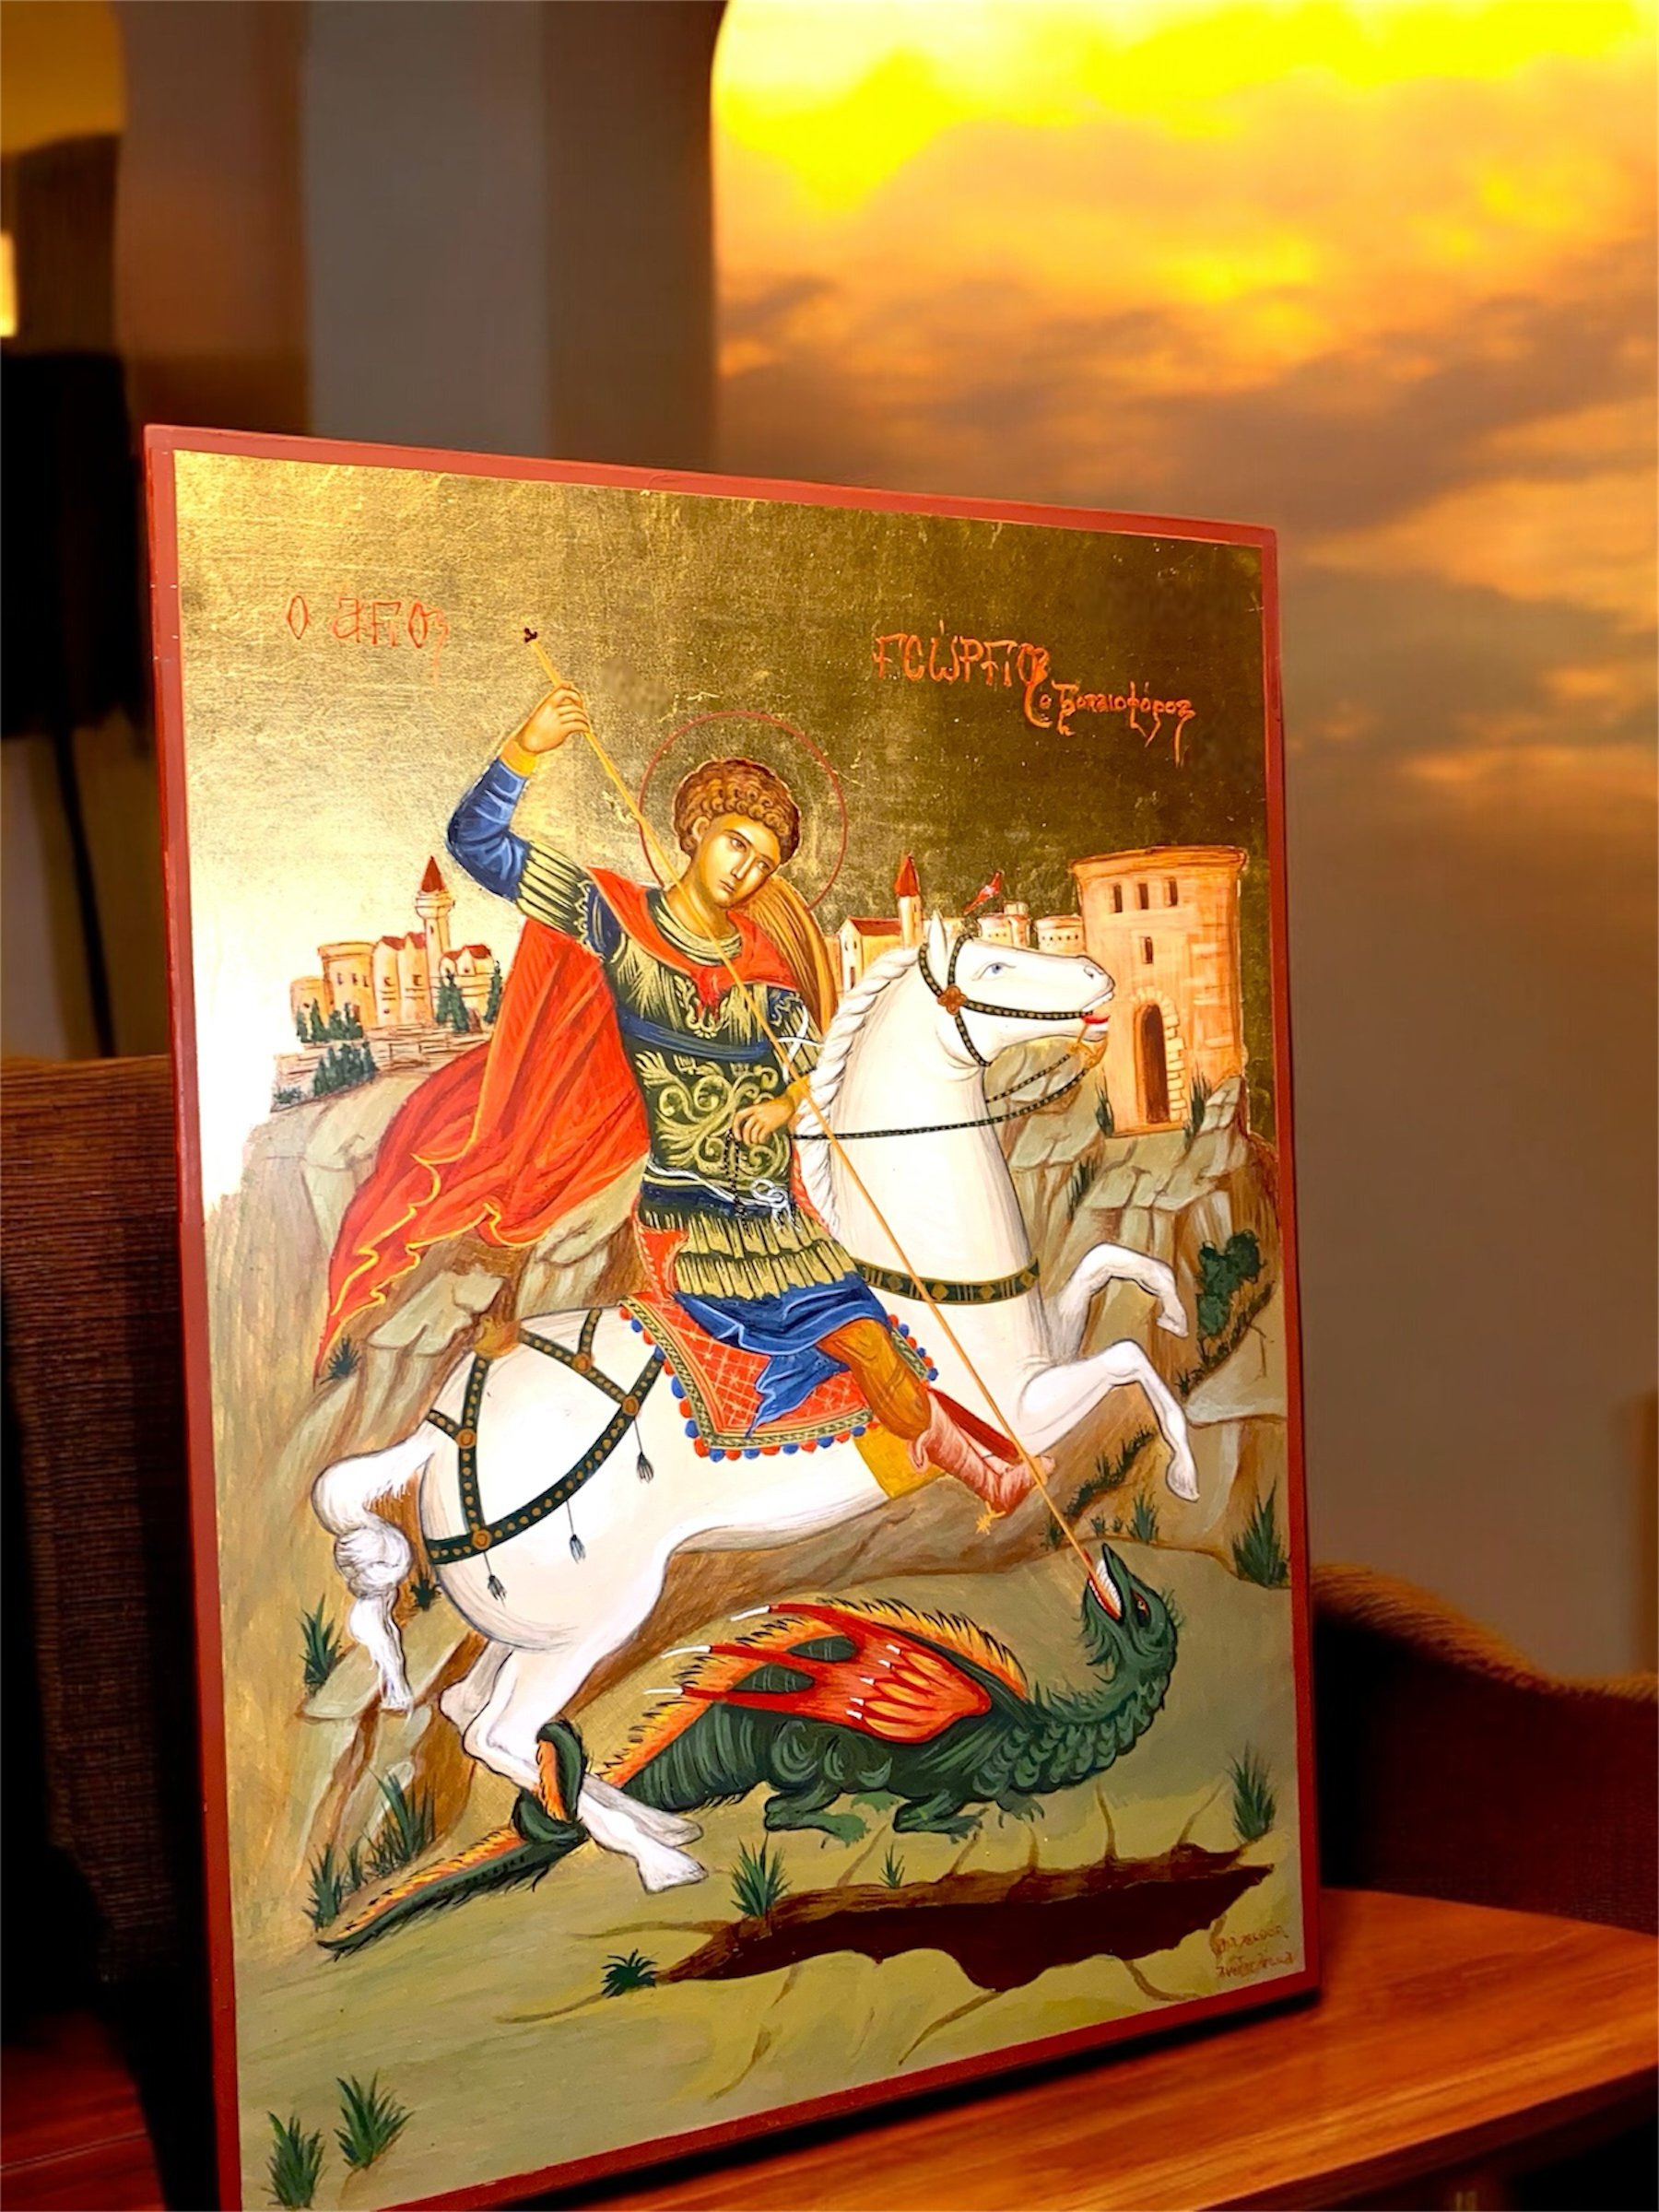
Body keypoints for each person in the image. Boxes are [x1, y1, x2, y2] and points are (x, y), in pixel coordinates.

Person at [320, 684, 1030, 1513]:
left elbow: (815, 1071)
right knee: (872, 1349)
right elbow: (476, 845)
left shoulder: (762, 961)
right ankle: (986, 1475)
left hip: (784, 1216)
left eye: (764, 862)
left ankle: (984, 1474)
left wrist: (784, 1105)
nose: (745, 870)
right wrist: (526, 746)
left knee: (894, 1344)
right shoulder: (618, 922)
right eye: (736, 843)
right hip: (696, 1220)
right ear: (696, 831)